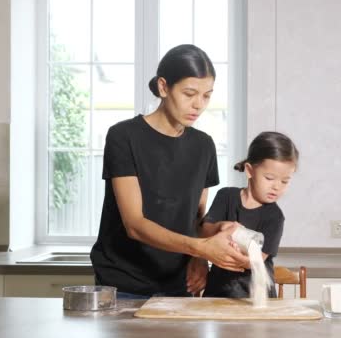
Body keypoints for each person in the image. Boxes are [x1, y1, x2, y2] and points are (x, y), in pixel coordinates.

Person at [90, 44, 250, 299]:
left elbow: (195, 220)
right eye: (189, 93)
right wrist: (202, 249)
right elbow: (135, 225)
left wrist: (213, 236)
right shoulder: (123, 137)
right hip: (124, 285)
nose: (198, 105)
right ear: (164, 87)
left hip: (180, 285)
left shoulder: (203, 145)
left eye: (207, 95)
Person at [201, 131, 299, 298]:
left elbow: (255, 260)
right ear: (249, 170)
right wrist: (221, 227)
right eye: (269, 178)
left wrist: (233, 251)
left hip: (256, 298)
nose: (277, 187)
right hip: (218, 294)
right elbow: (203, 231)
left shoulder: (274, 217)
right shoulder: (226, 197)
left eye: (285, 181)